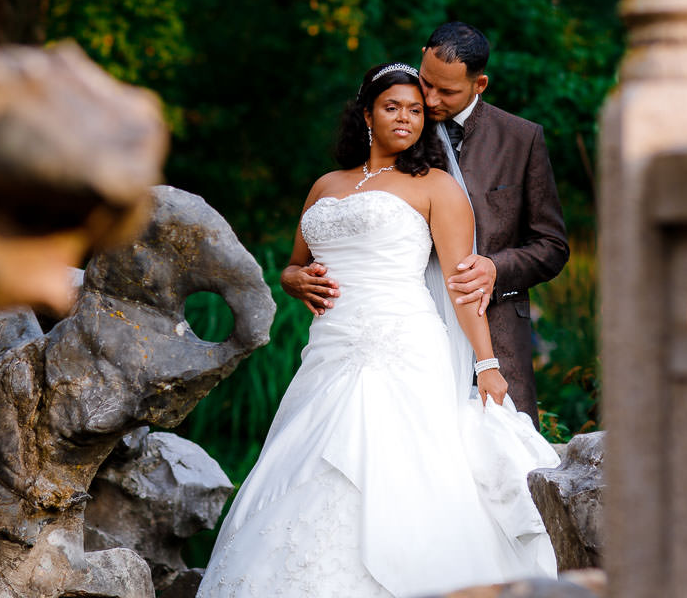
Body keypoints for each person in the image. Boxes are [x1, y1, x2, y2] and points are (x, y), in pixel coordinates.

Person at [198, 64, 558, 598]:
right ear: (367, 113)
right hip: (331, 346)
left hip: (401, 344)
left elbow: (462, 286)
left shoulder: (435, 188)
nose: (406, 119)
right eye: (393, 107)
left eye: (416, 110)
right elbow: (294, 265)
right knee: (307, 461)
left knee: (392, 462)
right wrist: (299, 280)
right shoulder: (327, 185)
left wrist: (486, 363)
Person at [284, 22, 569, 425]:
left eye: (444, 92)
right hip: (366, 332)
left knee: (496, 457)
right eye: (425, 84)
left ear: (479, 84)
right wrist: (293, 276)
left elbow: (552, 246)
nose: (428, 101)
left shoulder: (520, 140)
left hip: (489, 322)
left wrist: (494, 267)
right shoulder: (396, 114)